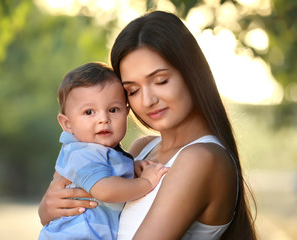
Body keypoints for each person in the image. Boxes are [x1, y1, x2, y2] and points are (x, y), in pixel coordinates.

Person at [39, 11, 257, 240]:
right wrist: (46, 209)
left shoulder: (201, 158)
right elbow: (80, 208)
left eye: (160, 81)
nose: (147, 101)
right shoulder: (141, 149)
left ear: (191, 73)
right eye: (133, 90)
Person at [38, 62, 167, 240]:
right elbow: (106, 190)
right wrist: (145, 182)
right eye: (89, 112)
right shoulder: (80, 153)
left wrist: (131, 167)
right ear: (68, 124)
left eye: (113, 110)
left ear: (126, 113)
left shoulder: (105, 152)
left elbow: (107, 173)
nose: (103, 119)